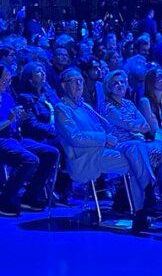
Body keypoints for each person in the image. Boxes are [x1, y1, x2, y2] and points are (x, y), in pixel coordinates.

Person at [53, 69, 152, 217]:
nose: (79, 84)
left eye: (80, 80)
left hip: (101, 151)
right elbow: (75, 137)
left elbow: (105, 128)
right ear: (63, 85)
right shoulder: (62, 108)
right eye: (74, 81)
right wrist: (105, 138)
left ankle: (146, 205)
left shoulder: (85, 106)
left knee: (136, 147)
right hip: (85, 158)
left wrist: (111, 137)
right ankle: (145, 205)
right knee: (136, 161)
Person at [102, 70, 162, 220]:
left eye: (122, 82)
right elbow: (131, 124)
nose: (120, 85)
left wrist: (136, 126)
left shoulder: (129, 103)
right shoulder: (107, 106)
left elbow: (145, 126)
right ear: (108, 87)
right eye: (115, 83)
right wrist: (136, 126)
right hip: (123, 145)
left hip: (139, 142)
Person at [0, 64, 58, 216]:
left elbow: (14, 122)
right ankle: (4, 201)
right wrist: (8, 121)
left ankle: (30, 196)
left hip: (15, 139)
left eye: (9, 80)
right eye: (4, 80)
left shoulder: (7, 97)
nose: (7, 83)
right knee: (30, 160)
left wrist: (21, 119)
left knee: (51, 153)